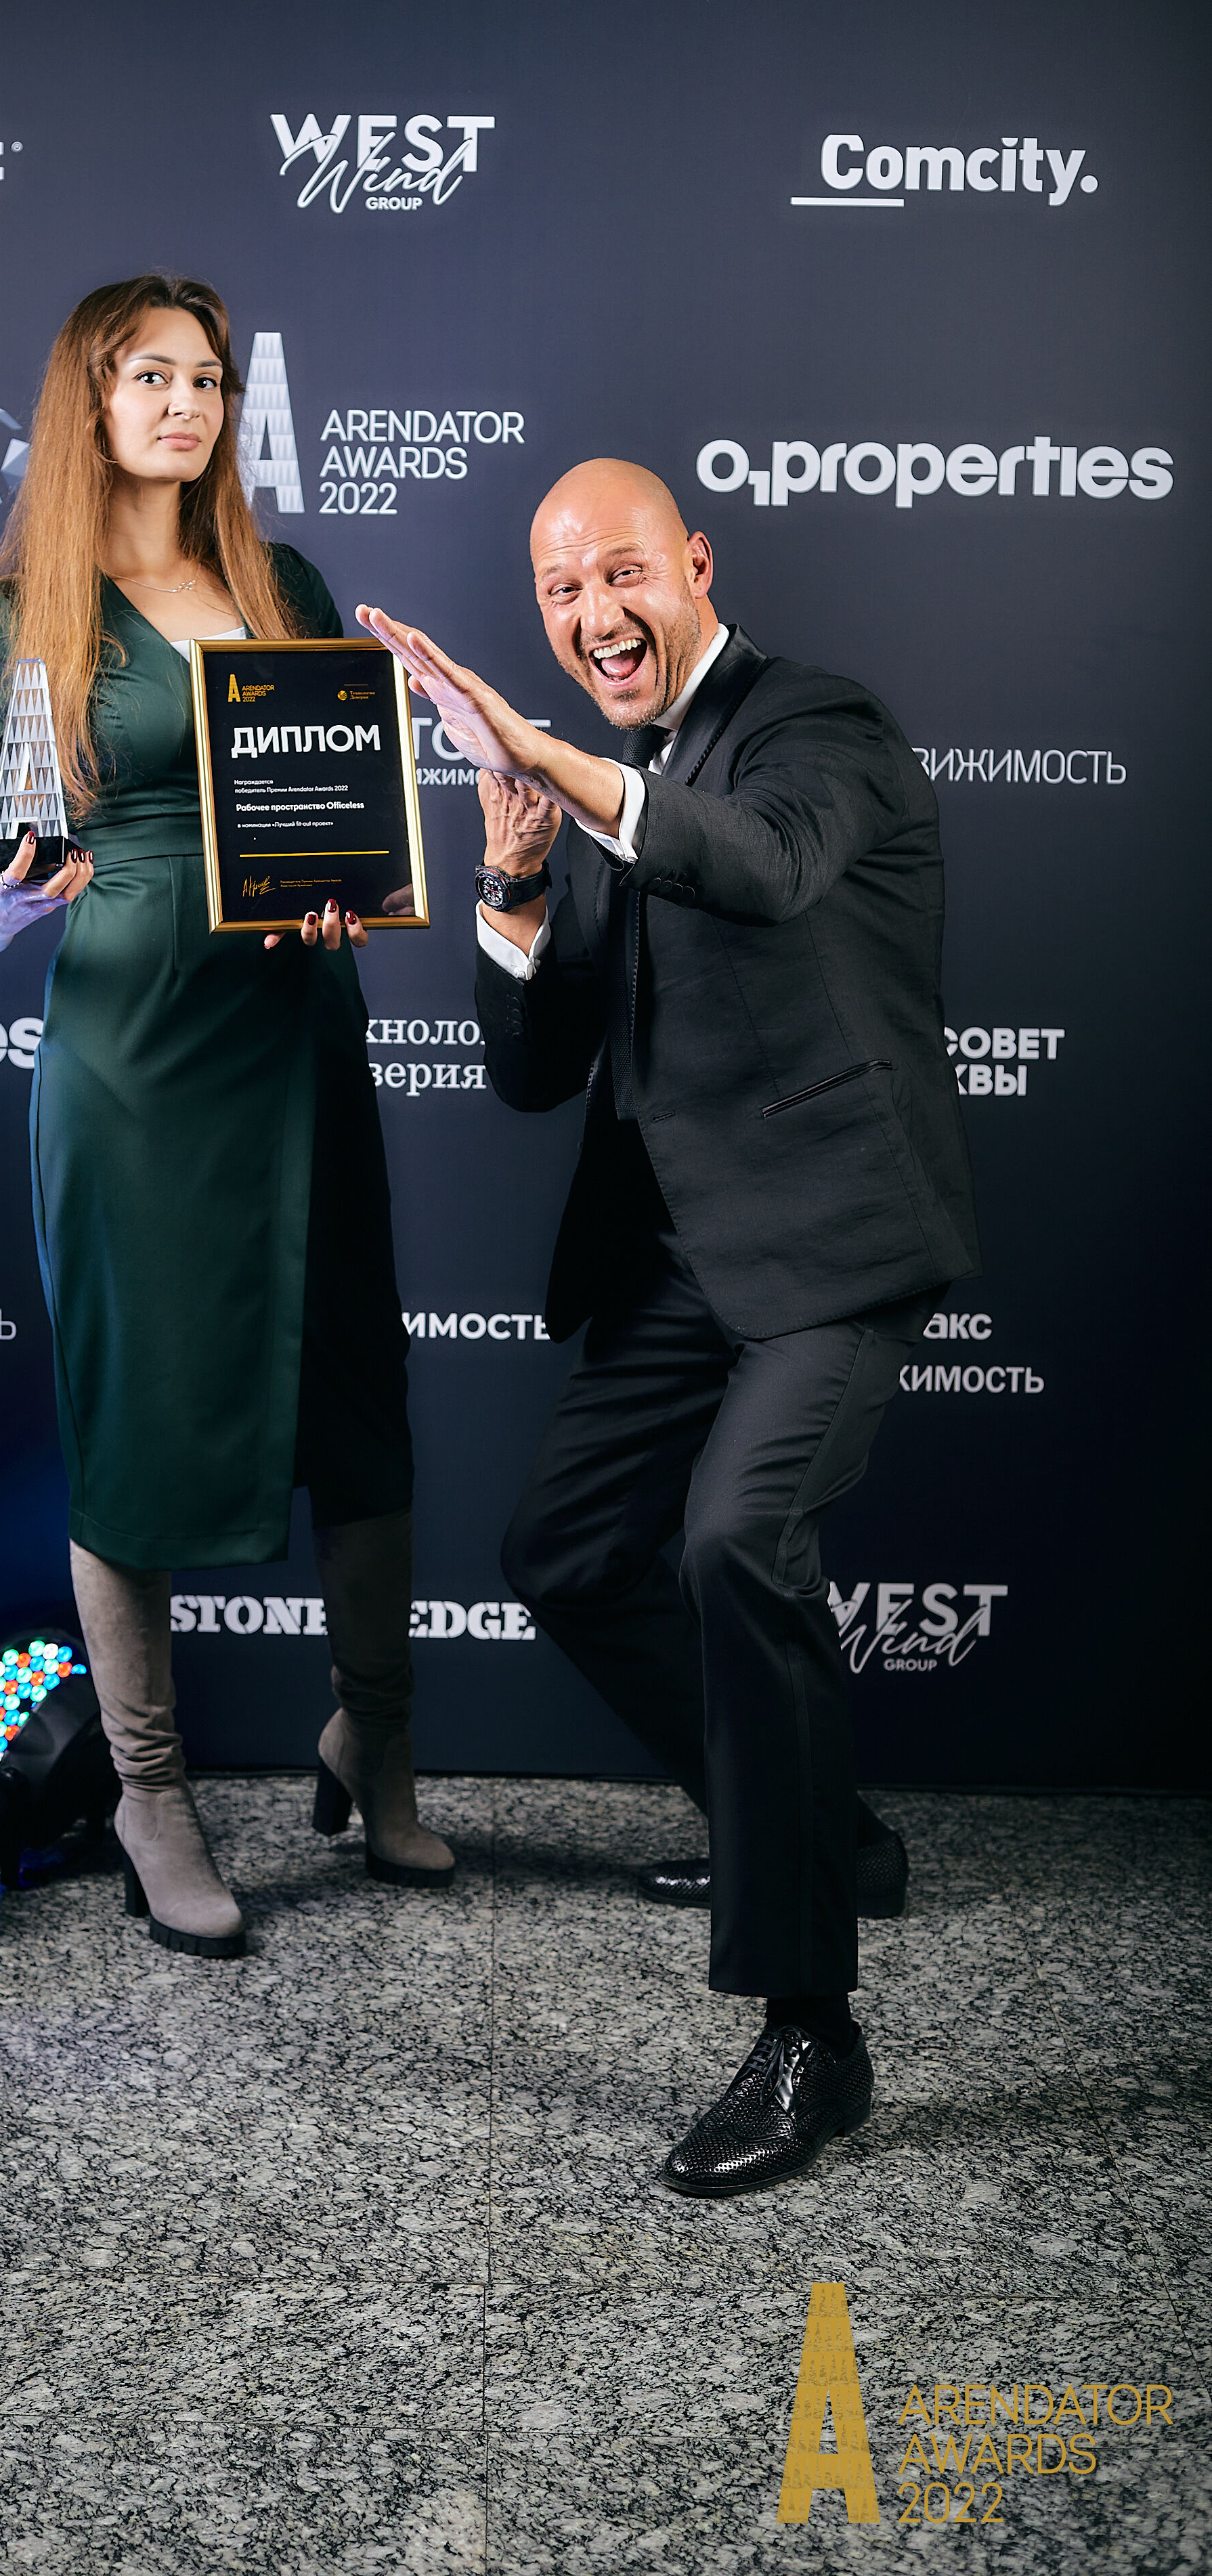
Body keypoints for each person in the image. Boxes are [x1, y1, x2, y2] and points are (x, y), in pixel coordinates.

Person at [359, 459, 978, 2196]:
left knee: (733, 1540)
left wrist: (558, 763)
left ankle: (809, 2033)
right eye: (559, 592)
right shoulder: (598, 791)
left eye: (620, 573)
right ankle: (815, 1828)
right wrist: (511, 877)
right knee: (561, 1548)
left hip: (832, 1246)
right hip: (678, 1261)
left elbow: (761, 868)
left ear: (694, 564)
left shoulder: (813, 726)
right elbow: (533, 1070)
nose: (591, 614)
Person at [0, 274, 453, 1962]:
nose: (185, 402)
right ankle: (148, 1793)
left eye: (208, 378)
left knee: (354, 1389)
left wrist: (348, 881)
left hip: (299, 1026)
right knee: (140, 1405)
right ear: (87, 402)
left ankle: (373, 1737)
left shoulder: (278, 579)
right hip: (136, 1051)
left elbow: (337, 800)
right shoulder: (27, 614)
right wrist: (5, 903)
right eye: (149, 375)